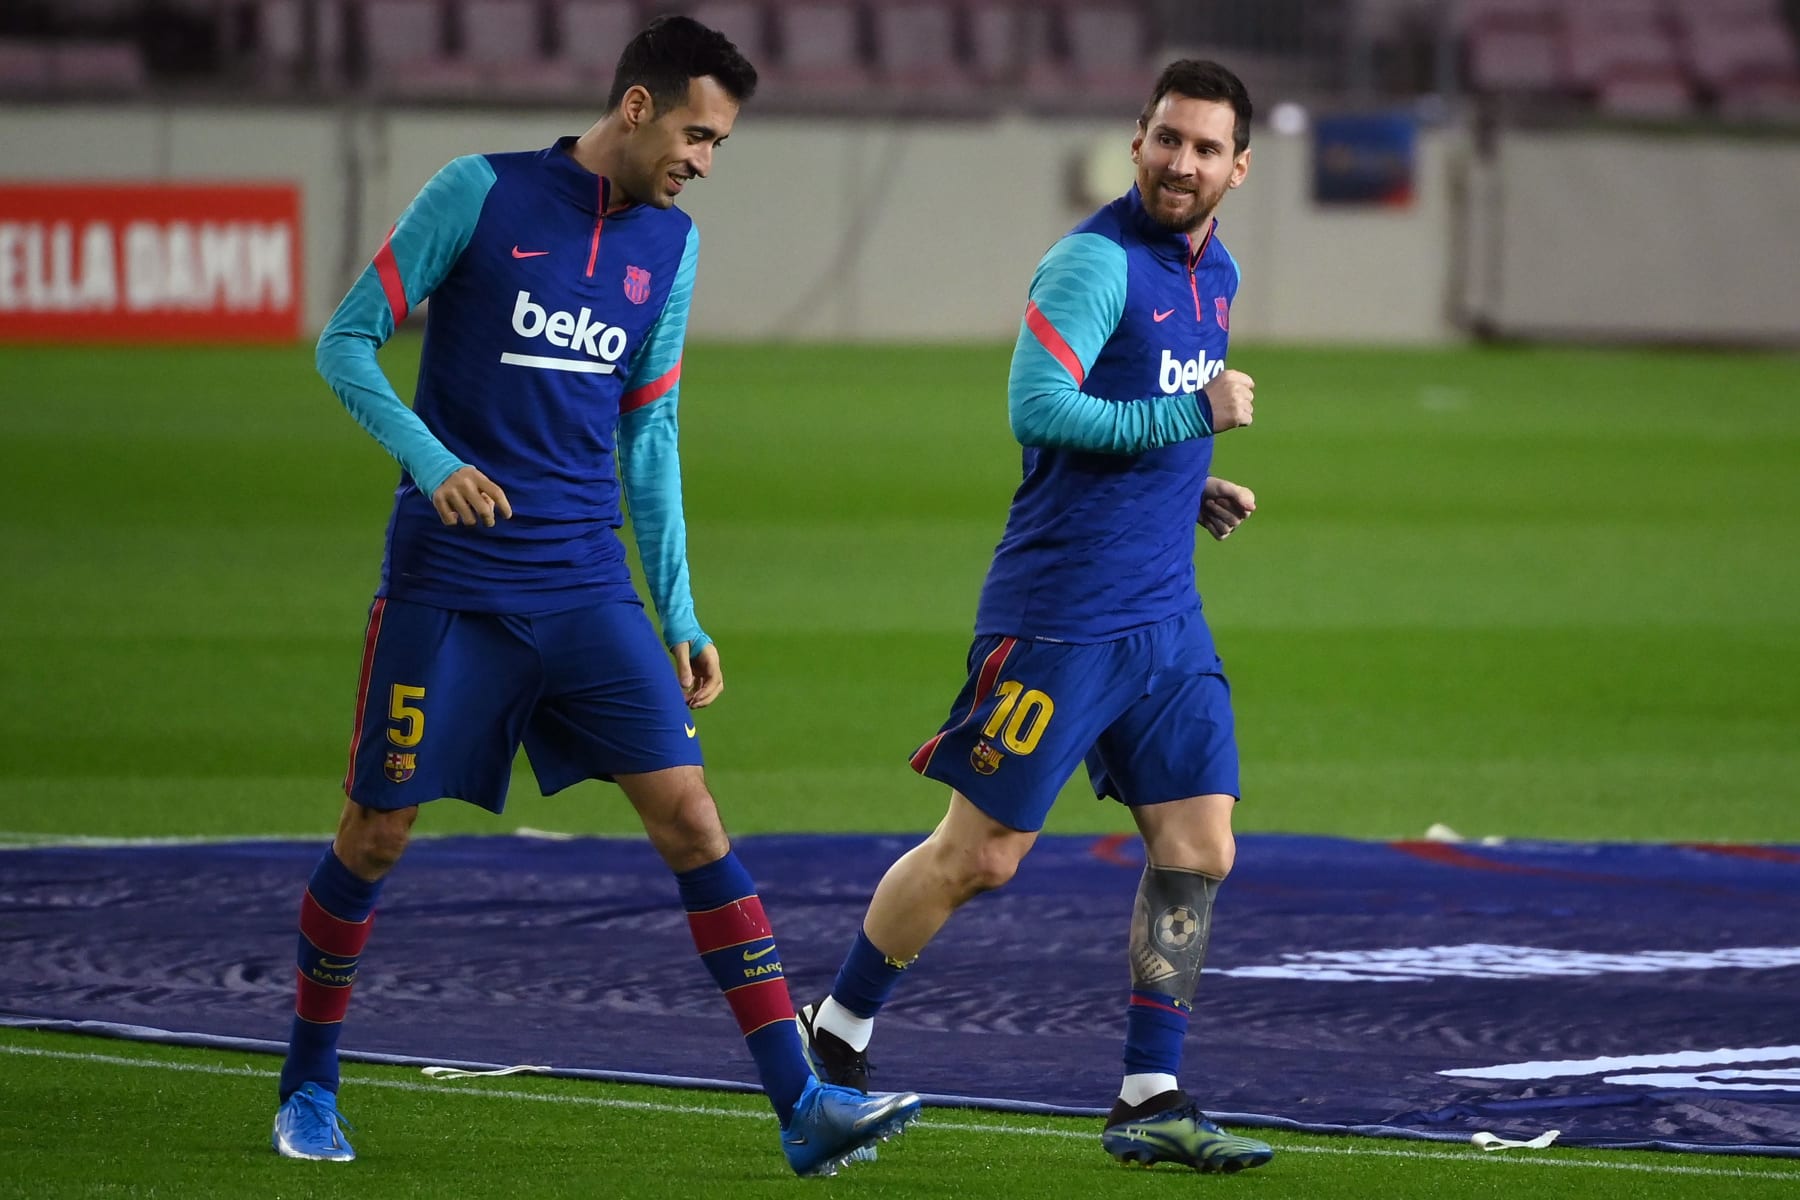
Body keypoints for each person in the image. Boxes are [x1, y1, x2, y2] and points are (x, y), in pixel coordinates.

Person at [269, 16, 919, 1176]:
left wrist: (678, 608)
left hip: (584, 586)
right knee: (374, 834)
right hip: (451, 586)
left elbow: (651, 426)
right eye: (697, 134)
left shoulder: (670, 247)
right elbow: (347, 344)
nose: (703, 161)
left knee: (692, 819)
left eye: (719, 144)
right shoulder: (476, 193)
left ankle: (802, 1108)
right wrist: (432, 461)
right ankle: (309, 1087)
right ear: (635, 106)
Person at [795, 59, 1273, 1175]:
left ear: (1238, 168)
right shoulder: (1091, 261)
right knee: (983, 855)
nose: (1181, 162)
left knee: (1200, 847)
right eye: (1166, 139)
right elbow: (1039, 406)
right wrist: (1194, 413)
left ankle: (1149, 1096)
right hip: (1060, 612)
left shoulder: (1217, 272)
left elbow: (1124, 417)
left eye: (1206, 148)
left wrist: (1187, 480)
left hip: (1163, 617)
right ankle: (838, 1032)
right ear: (1137, 140)